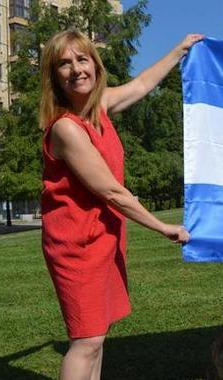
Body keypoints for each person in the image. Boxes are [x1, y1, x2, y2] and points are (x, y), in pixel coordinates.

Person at [39, 29, 202, 379]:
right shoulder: (66, 129)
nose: (76, 69)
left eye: (82, 59)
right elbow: (112, 192)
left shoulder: (98, 108)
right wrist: (163, 227)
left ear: (95, 66)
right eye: (64, 64)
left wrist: (180, 49)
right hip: (75, 244)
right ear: (54, 76)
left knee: (97, 338)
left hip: (103, 238)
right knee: (86, 340)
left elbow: (142, 84)